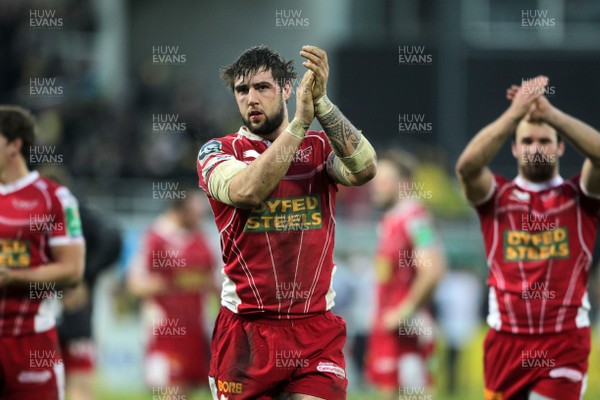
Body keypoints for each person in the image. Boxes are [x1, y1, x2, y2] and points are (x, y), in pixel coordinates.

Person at [196, 45, 377, 399]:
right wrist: (298, 125)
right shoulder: (217, 151)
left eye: (262, 87)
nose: (251, 98)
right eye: (242, 90)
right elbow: (248, 191)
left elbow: (365, 168)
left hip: (314, 330)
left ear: (287, 89)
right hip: (247, 333)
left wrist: (321, 104)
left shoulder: (320, 148)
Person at [455, 76, 600, 400]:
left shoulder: (580, 196)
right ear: (515, 146)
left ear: (561, 146)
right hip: (505, 342)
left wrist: (551, 115)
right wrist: (514, 114)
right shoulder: (498, 196)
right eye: (528, 140)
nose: (536, 148)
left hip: (564, 341)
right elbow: (466, 167)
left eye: (545, 141)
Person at [0, 105, 85, 399]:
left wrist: (11, 277)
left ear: (14, 145)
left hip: (29, 340)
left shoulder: (55, 199)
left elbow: (72, 271)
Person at [365, 151, 446, 399]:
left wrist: (404, 312)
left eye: (385, 180)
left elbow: (433, 269)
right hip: (388, 329)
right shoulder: (391, 220)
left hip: (406, 332)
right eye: (376, 180)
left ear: (404, 184)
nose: (376, 186)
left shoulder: (415, 219)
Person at [127, 190, 217, 397]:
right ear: (181, 210)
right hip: (164, 328)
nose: (201, 217)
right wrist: (164, 284)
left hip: (198, 327)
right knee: (171, 390)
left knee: (193, 387)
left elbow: (217, 282)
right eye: (196, 212)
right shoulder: (155, 238)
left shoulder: (204, 238)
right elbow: (134, 283)